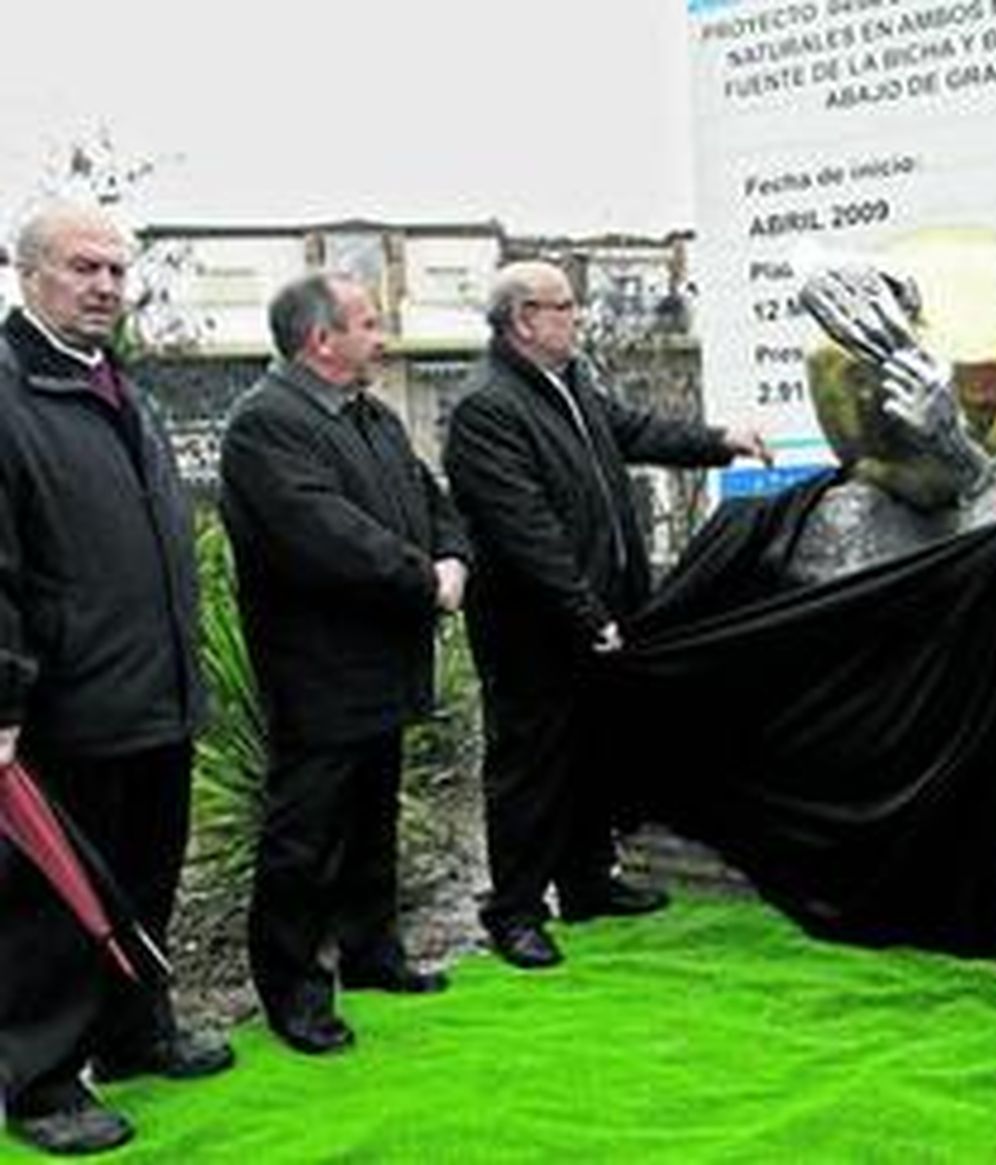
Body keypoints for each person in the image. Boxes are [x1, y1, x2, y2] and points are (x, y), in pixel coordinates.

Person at [443, 260, 769, 971]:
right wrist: (587, 613)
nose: (579, 315)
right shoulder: (487, 406)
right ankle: (516, 912)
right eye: (565, 305)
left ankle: (587, 883)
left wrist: (722, 440)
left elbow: (636, 430)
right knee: (530, 766)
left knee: (593, 750)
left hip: (595, 612)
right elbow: (525, 529)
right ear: (524, 319)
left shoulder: (569, 382)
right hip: (534, 628)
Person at [0, 205, 232, 1155]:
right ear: (28, 276)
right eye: (82, 267)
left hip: (154, 693)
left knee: (146, 878)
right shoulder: (9, 394)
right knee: (48, 907)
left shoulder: (119, 387)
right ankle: (44, 1081)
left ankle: (139, 1032)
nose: (104, 285)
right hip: (62, 708)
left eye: (116, 270)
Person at [219, 273, 472, 1055]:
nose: (382, 338)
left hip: (384, 658)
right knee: (305, 837)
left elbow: (432, 501)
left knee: (371, 817)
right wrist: (425, 578)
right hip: (318, 668)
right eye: (368, 324)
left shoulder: (373, 415)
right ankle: (294, 992)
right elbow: (323, 533)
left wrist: (454, 555)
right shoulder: (266, 424)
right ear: (320, 340)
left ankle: (372, 953)